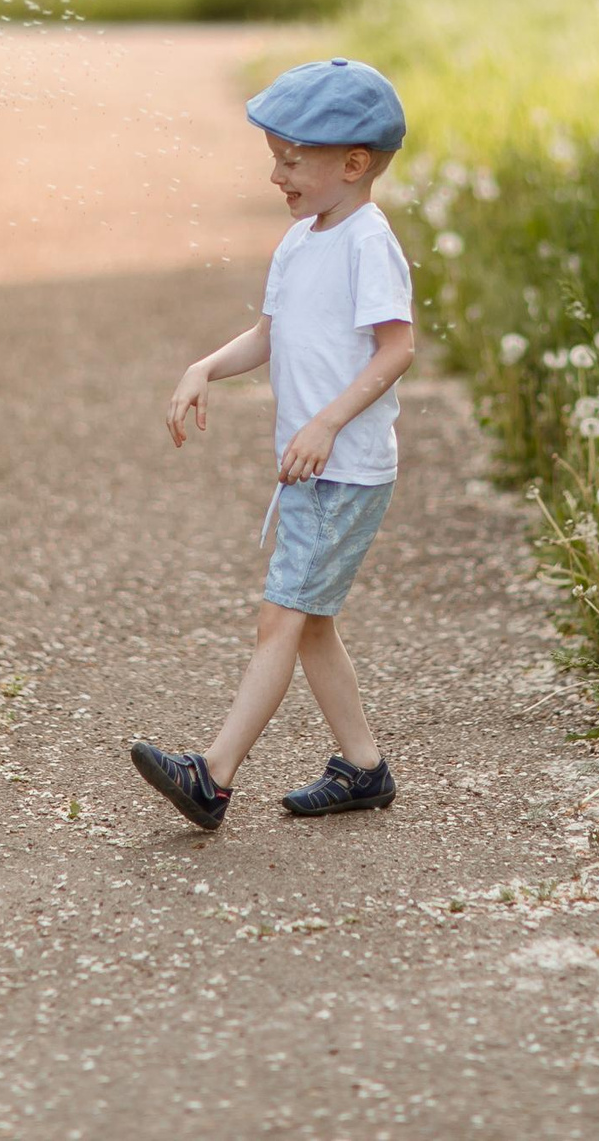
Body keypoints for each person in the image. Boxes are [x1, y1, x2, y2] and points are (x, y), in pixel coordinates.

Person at [131, 59, 417, 830]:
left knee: (281, 619)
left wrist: (325, 422)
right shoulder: (299, 241)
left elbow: (397, 348)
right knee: (312, 620)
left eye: (291, 160)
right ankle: (363, 766)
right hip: (312, 469)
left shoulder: (367, 242)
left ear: (352, 163)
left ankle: (213, 775)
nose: (275, 175)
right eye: (275, 158)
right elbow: (268, 333)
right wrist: (204, 367)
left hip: (343, 469)